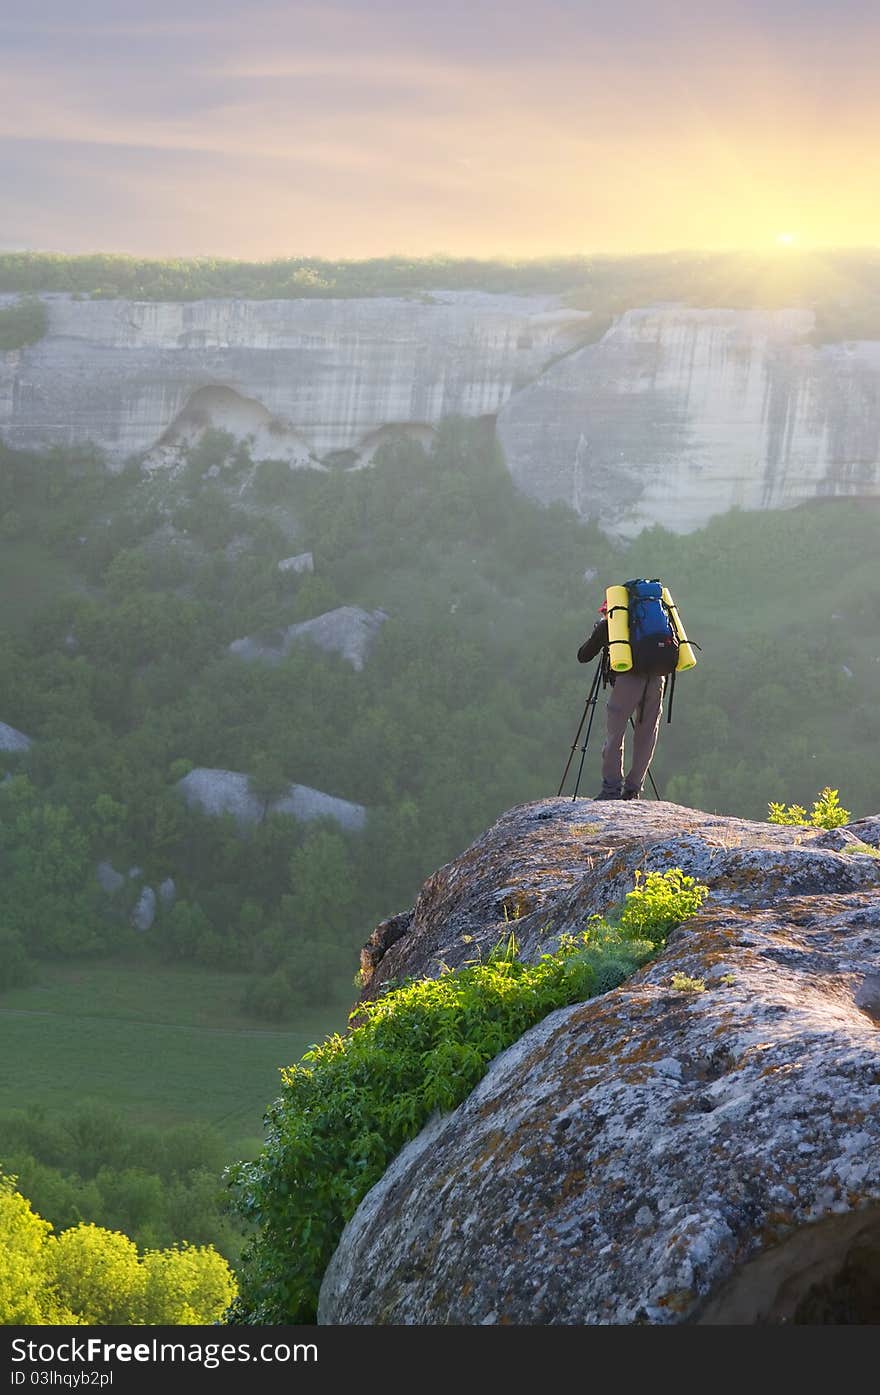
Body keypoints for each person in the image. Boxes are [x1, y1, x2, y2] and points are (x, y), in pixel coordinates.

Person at [577, 598, 665, 800]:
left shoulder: (611, 623)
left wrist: (598, 632)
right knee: (647, 735)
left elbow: (584, 655)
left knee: (615, 733)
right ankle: (633, 789)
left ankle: (611, 789)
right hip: (657, 677)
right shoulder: (652, 619)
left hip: (629, 680)